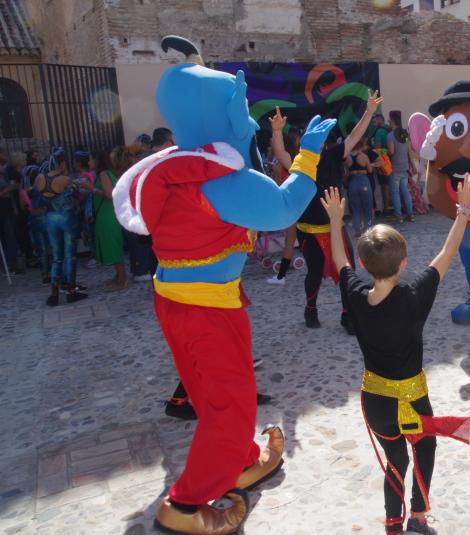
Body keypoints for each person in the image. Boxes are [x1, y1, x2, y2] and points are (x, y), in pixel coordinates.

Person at [114, 36, 338, 533]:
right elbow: (281, 208)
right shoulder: (219, 178)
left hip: (180, 299)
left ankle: (238, 461)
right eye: (239, 107)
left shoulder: (181, 164)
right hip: (206, 311)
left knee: (215, 391)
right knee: (229, 407)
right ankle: (185, 504)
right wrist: (309, 155)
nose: (251, 120)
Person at [321, 177, 470, 535]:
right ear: (404, 263)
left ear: (364, 263)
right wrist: (463, 209)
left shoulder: (356, 294)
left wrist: (335, 220)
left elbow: (339, 259)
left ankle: (393, 524)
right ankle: (418, 519)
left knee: (395, 462)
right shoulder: (413, 296)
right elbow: (445, 255)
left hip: (375, 400)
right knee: (425, 452)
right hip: (412, 399)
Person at [297, 89, 383, 331]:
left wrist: (368, 112)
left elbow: (355, 136)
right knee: (314, 273)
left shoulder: (335, 155)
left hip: (334, 224)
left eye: (321, 136)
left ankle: (348, 316)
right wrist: (274, 134)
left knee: (347, 270)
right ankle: (310, 310)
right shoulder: (301, 160)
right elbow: (282, 159)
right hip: (308, 227)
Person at [34, 147, 88, 305]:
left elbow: (39, 200)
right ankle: (71, 291)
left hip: (50, 218)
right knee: (70, 256)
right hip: (67, 218)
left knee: (56, 258)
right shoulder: (65, 180)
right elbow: (76, 197)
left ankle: (54, 294)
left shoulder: (39, 178)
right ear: (62, 162)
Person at [267, 107, 302, 285]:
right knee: (293, 238)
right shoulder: (292, 161)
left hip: (290, 204)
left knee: (290, 239)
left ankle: (281, 276)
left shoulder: (282, 164)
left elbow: (277, 184)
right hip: (295, 203)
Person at [94, 147, 129, 291]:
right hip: (109, 213)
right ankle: (118, 276)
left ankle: (122, 278)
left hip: (107, 214)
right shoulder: (110, 172)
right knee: (112, 245)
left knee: (113, 247)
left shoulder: (103, 174)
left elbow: (109, 195)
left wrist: (91, 189)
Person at [387, 111, 414, 223]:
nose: (388, 121)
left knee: (395, 192)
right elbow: (408, 150)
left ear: (392, 121)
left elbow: (391, 152)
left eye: (389, 120)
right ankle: (410, 215)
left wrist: (385, 152)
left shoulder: (390, 136)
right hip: (404, 166)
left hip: (395, 167)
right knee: (405, 191)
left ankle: (398, 216)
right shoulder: (405, 134)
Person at [346, 136, 375, 234]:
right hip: (364, 181)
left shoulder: (347, 158)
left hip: (352, 182)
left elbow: (345, 172)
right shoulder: (364, 156)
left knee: (355, 207)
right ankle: (369, 228)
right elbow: (370, 170)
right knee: (367, 205)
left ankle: (357, 229)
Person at [371, 113, 393, 215]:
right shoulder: (390, 130)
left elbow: (377, 148)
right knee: (389, 184)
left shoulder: (379, 131)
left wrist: (371, 150)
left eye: (374, 121)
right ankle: (391, 205)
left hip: (383, 162)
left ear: (380, 120)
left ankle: (386, 208)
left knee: (384, 185)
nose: (373, 123)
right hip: (392, 161)